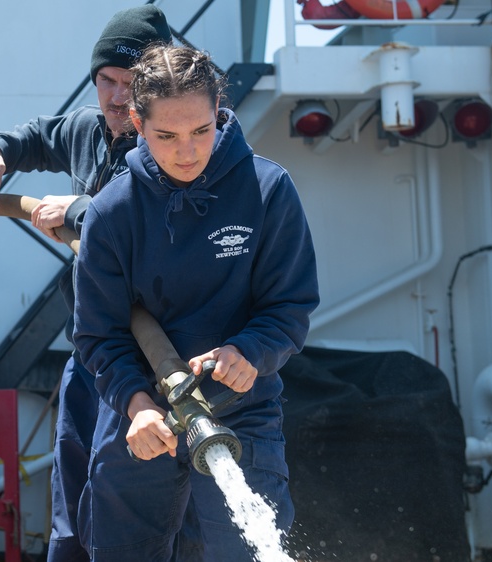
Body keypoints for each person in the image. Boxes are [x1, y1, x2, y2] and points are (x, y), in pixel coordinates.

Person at [72, 44, 320, 561]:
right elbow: (100, 334)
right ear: (137, 123)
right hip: (142, 418)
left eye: (201, 131)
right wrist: (136, 406)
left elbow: (290, 307)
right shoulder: (112, 212)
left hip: (242, 412)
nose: (188, 152)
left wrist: (247, 351)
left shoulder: (267, 189)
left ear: (219, 116)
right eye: (166, 136)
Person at [0, 6, 175, 562]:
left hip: (150, 357)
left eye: (133, 84)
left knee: (119, 497)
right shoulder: (87, 128)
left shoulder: (175, 149)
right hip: (90, 345)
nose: (117, 97)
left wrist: (81, 209)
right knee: (71, 484)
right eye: (107, 80)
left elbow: (153, 223)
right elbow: (39, 137)